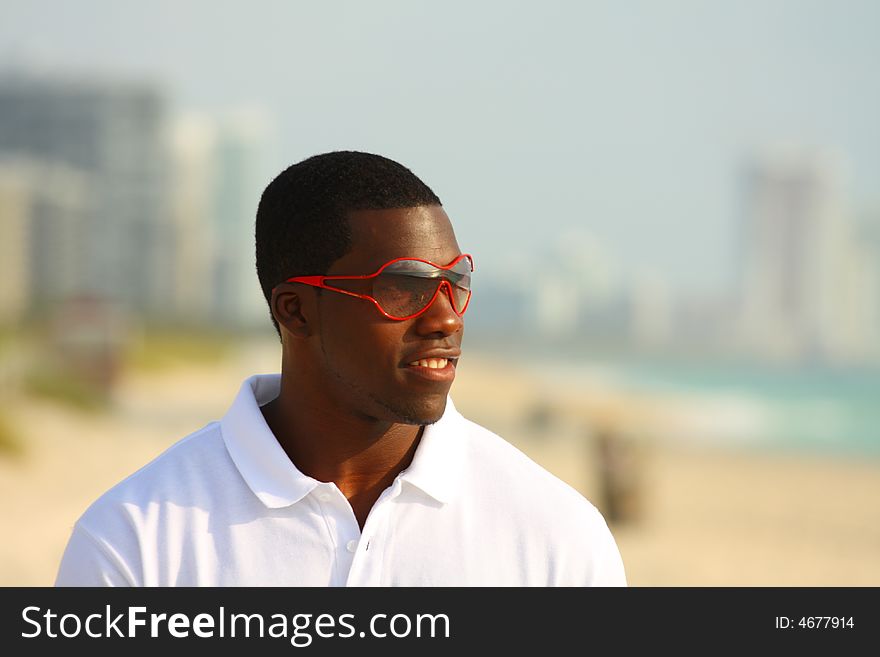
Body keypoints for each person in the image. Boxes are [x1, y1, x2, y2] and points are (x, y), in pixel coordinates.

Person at [55, 151, 626, 586]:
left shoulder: (557, 537)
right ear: (296, 310)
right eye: (405, 288)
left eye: (456, 283)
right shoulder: (135, 539)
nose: (446, 319)